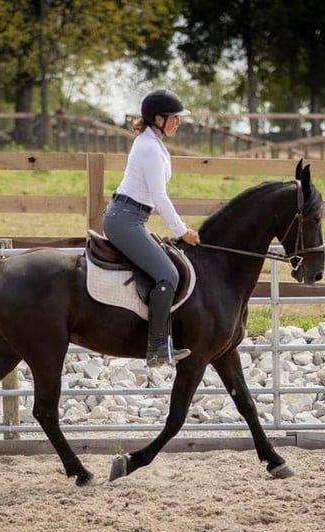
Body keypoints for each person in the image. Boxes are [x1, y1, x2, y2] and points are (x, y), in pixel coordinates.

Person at [103, 88, 201, 367]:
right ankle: (156, 346)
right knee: (168, 274)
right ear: (158, 118)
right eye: (174, 118)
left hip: (132, 217)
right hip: (125, 219)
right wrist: (182, 231)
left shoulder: (152, 142)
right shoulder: (148, 147)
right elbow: (159, 197)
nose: (178, 123)